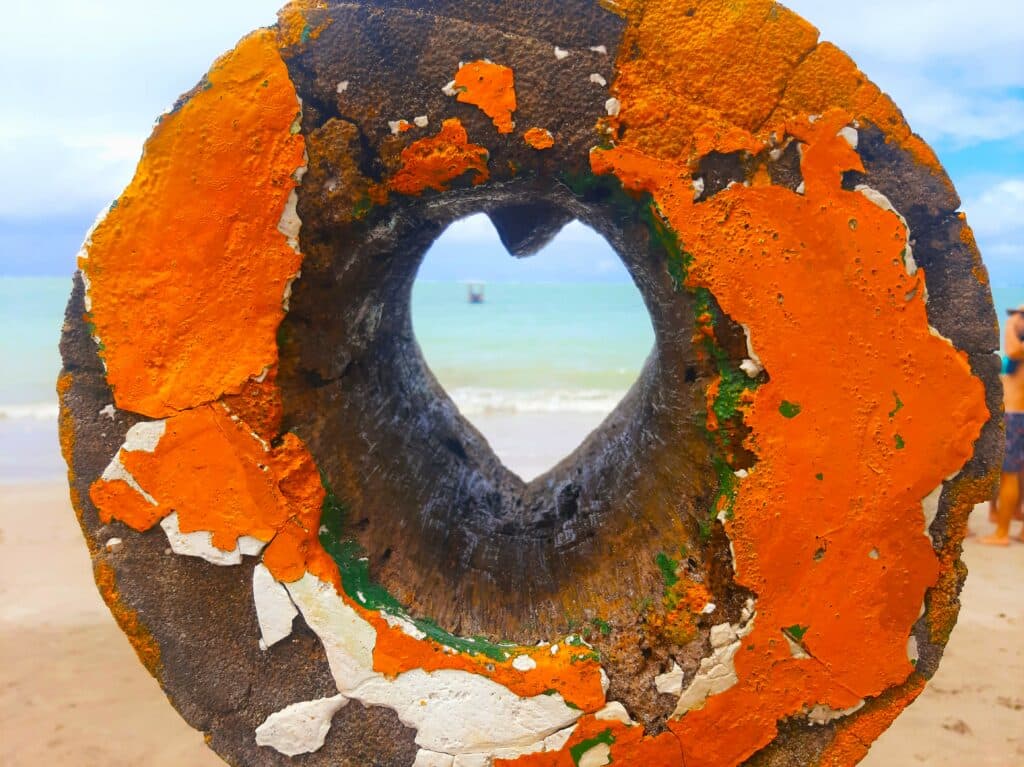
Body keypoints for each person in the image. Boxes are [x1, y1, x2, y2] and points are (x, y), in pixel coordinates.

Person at [981, 304, 1024, 546]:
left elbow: (1013, 350)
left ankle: (1002, 534)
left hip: (1016, 416)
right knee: (1017, 474)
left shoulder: (1019, 347)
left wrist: (1009, 325)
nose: (1017, 320)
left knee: (1008, 475)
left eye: (1021, 316)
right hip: (1017, 415)